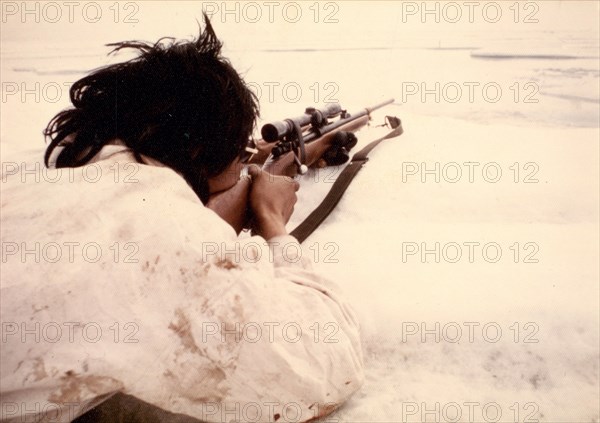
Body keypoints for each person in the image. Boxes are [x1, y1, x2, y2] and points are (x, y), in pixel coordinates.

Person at [0, 15, 364, 423]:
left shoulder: (23, 175)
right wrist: (272, 221)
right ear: (199, 154)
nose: (245, 166)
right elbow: (320, 368)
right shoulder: (167, 229)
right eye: (240, 158)